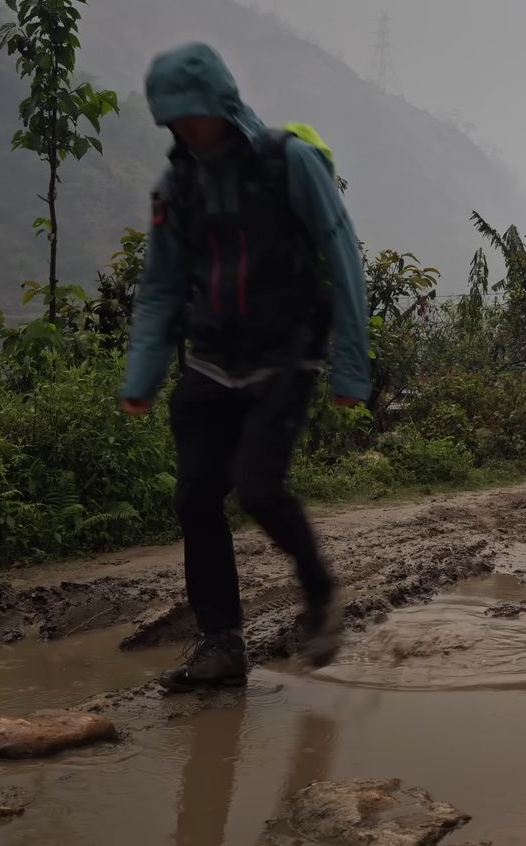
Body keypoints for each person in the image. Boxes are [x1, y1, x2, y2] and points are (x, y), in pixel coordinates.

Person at [119, 42, 370, 692]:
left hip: (284, 354)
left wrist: (350, 371)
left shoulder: (289, 161)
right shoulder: (178, 186)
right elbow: (161, 287)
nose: (189, 130)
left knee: (257, 486)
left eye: (196, 115)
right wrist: (141, 378)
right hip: (209, 357)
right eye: (175, 120)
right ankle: (221, 643)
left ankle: (320, 594)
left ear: (223, 105)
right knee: (196, 495)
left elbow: (342, 255)